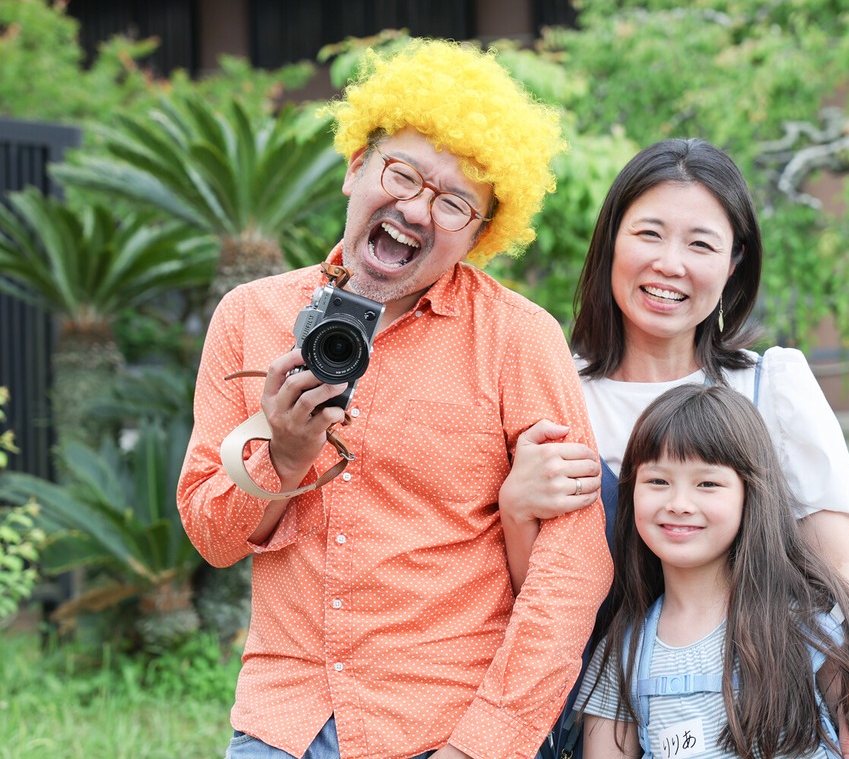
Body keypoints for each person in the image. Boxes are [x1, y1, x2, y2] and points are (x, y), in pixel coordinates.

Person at [177, 39, 612, 759]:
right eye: (403, 174)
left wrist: (486, 744)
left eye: (453, 204)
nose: (416, 209)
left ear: (478, 236)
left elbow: (575, 568)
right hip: (286, 717)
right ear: (356, 169)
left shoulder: (518, 338)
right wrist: (283, 458)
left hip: (449, 717)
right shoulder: (250, 316)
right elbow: (211, 535)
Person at [497, 138, 849, 758]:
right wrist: (516, 508)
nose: (670, 264)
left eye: (700, 243)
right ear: (612, 240)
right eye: (649, 234)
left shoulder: (769, 385)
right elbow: (532, 604)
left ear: (733, 263)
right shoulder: (551, 387)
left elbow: (836, 560)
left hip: (763, 692)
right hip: (589, 705)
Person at [577, 383, 849, 758]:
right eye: (658, 481)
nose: (679, 503)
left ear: (750, 494)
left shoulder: (804, 625)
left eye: (707, 483)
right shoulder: (625, 650)